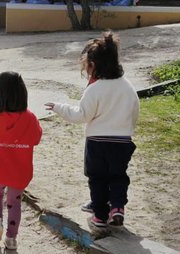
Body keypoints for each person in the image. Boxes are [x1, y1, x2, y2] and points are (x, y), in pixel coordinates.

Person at [45, 32, 140, 229]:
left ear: (93, 65)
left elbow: (81, 115)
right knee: (118, 176)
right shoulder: (128, 87)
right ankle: (117, 207)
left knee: (97, 178)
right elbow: (134, 111)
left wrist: (59, 107)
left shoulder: (95, 89)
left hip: (97, 142)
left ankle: (99, 215)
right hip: (122, 142)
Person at [0, 71, 42, 250]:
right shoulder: (30, 118)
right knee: (14, 202)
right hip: (19, 171)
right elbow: (36, 138)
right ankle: (12, 238)